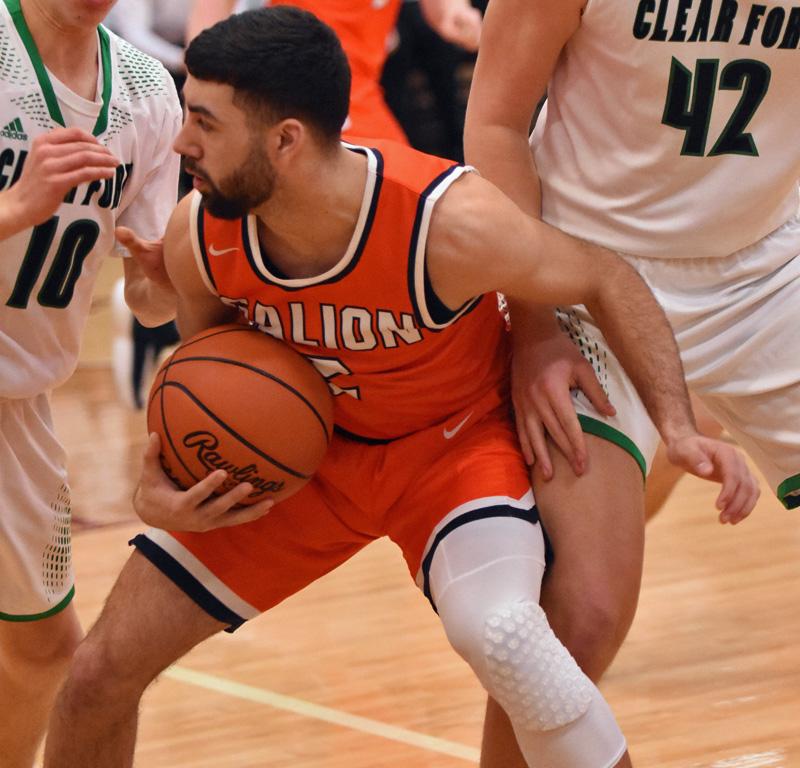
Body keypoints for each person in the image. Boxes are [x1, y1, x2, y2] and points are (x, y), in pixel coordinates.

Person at [43, 8, 757, 768]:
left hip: (448, 454)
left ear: (285, 140)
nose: (182, 143)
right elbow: (207, 377)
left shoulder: (447, 220)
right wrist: (164, 487)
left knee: (510, 640)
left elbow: (606, 277)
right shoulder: (201, 232)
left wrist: (679, 429)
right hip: (310, 464)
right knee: (95, 674)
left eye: (205, 124)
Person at [462, 0, 800, 765]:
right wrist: (533, 324)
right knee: (581, 619)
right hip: (587, 275)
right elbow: (495, 124)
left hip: (767, 273)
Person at [0, 0, 184, 764]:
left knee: (45, 650)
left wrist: (166, 279)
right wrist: (14, 206)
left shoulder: (146, 91)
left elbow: (149, 300)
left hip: (17, 408)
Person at [186, 0, 482, 143]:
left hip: (363, 101)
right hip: (286, 101)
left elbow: (445, 10)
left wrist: (459, 16)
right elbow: (205, 28)